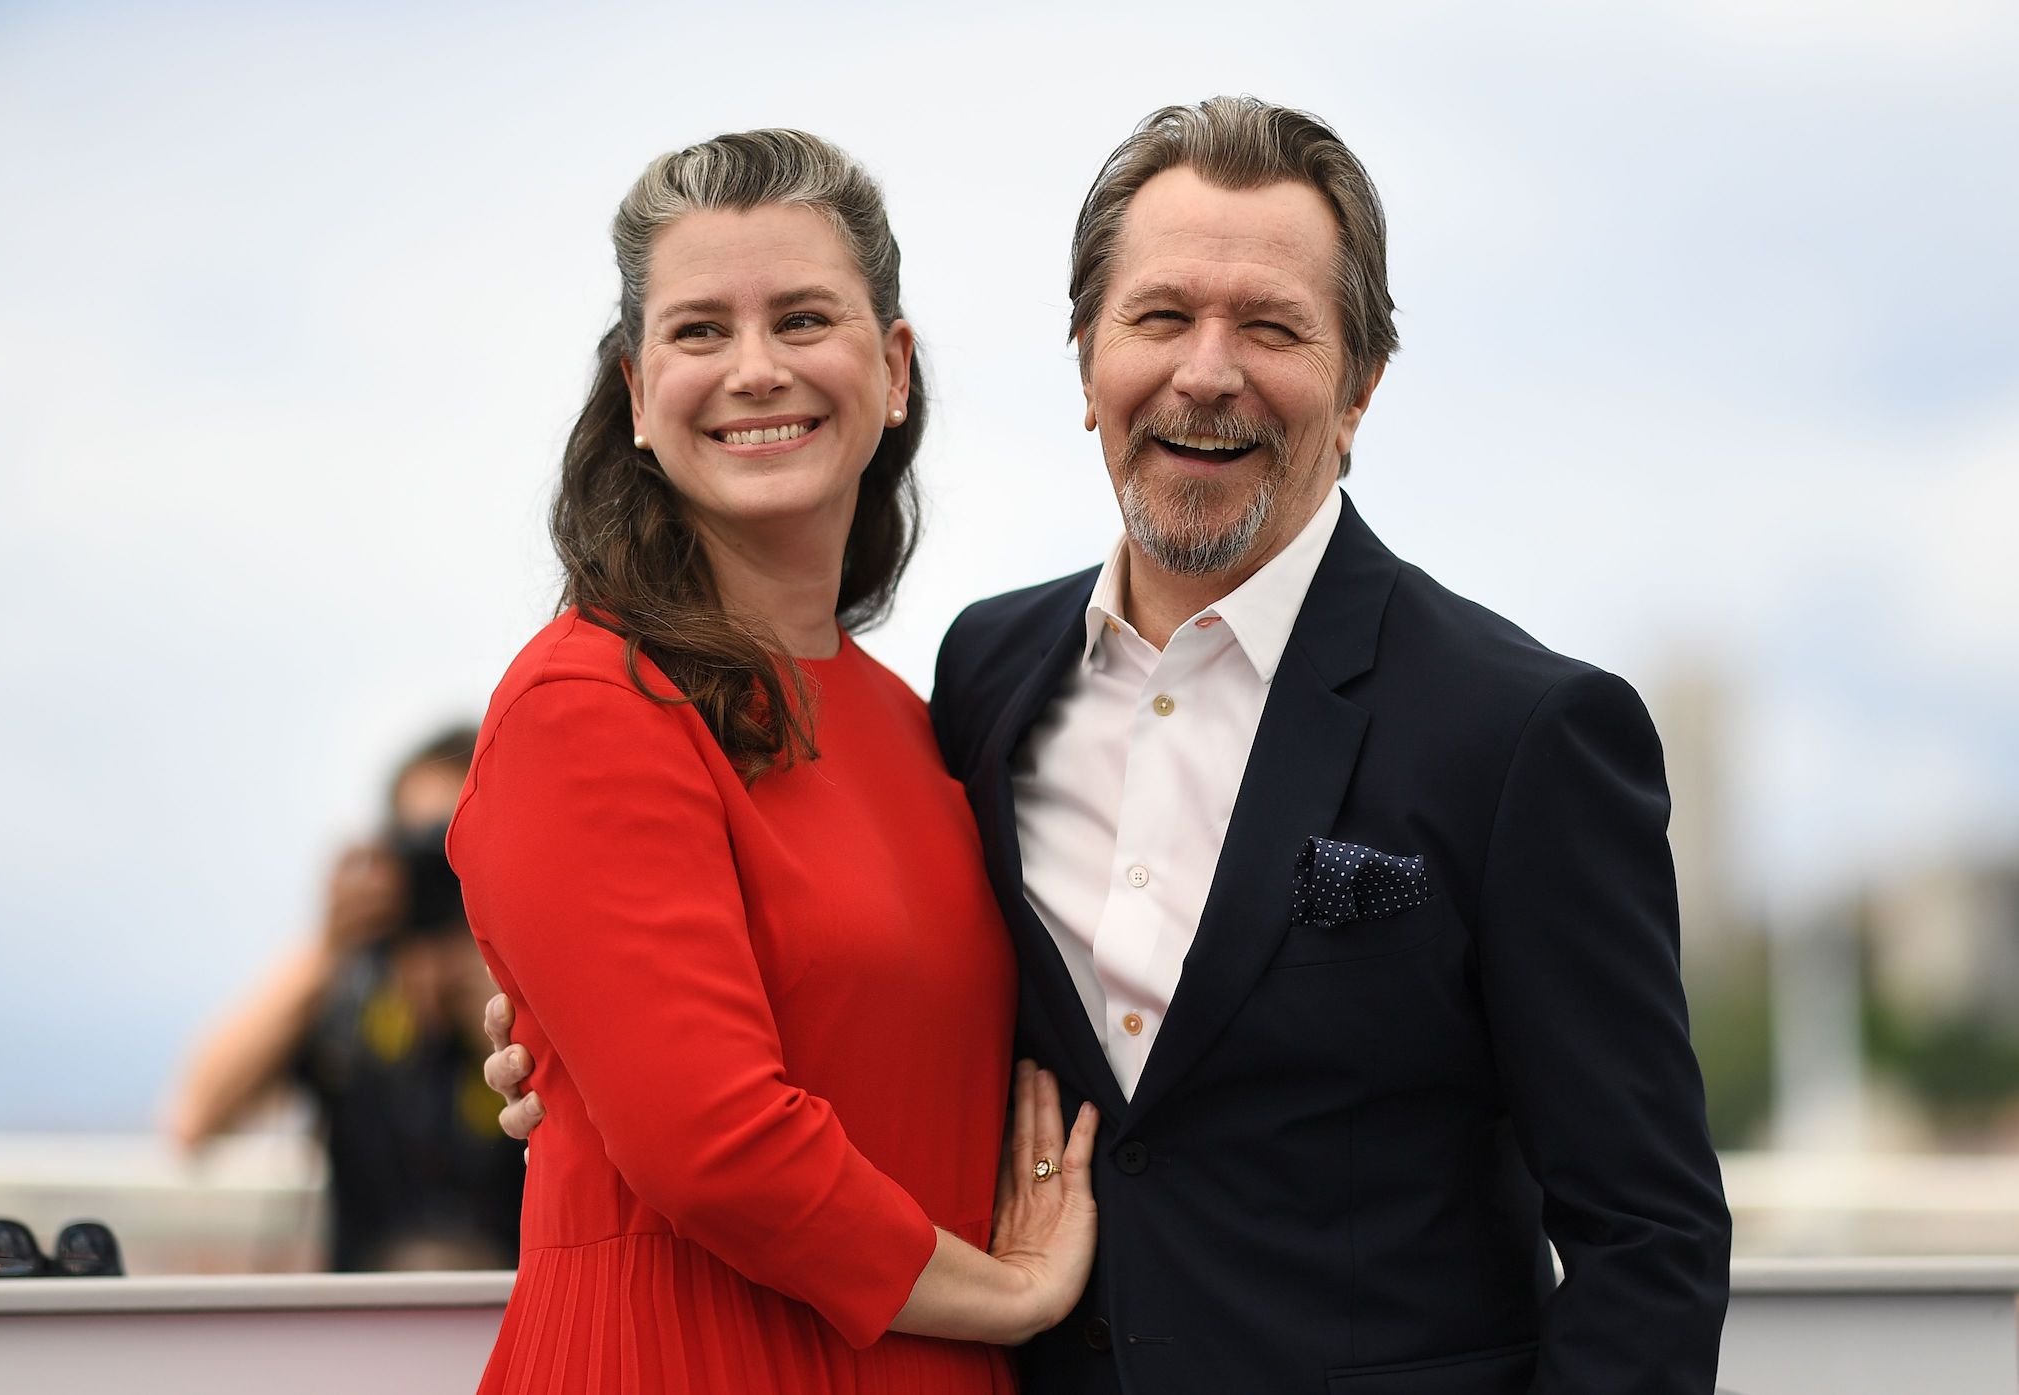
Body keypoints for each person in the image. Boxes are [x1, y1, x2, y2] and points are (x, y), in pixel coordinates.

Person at [490, 98, 1733, 1394]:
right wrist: (578, 1050)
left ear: (1360, 386)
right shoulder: (981, 681)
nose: (1205, 371)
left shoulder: (1522, 729)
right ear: (1086, 363)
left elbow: (1649, 1233)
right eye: (1158, 318)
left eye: (1269, 325)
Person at [446, 129, 1098, 1395]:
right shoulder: (584, 700)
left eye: (802, 318)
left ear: (891, 369)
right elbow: (712, 1145)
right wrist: (1009, 1297)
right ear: (636, 391)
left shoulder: (924, 727)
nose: (755, 370)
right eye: (698, 332)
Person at [171, 726, 522, 1272]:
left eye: (463, 840)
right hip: (361, 1324)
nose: (443, 867)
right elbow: (194, 1119)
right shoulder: (348, 993)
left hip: (519, 1320)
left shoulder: (536, 984)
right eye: (425, 844)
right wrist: (328, 948)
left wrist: (510, 1008)